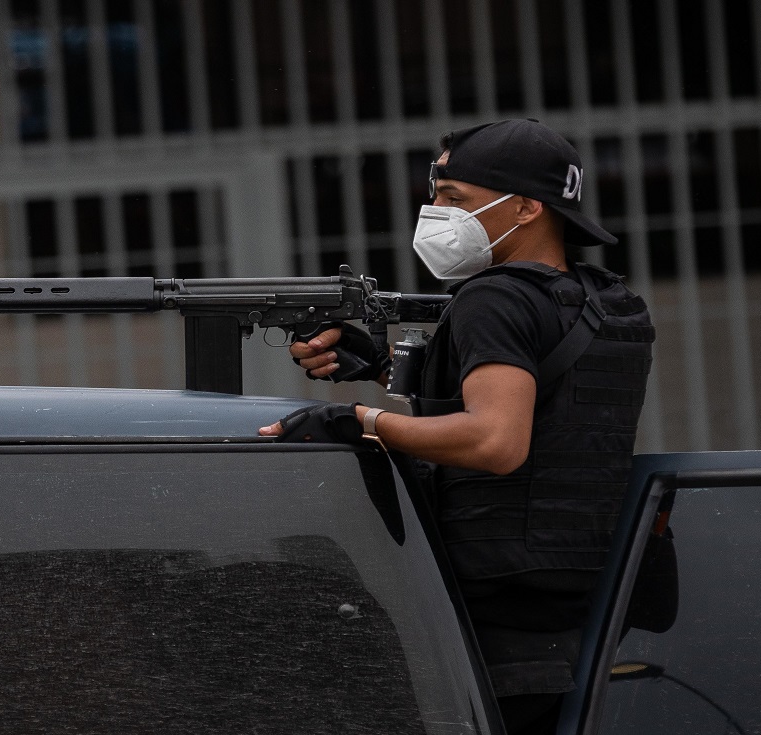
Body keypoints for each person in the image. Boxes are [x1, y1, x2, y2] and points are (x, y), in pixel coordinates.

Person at [260, 119, 654, 735]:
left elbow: (496, 442)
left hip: (491, 621)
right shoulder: (604, 299)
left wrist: (359, 422)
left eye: (455, 198)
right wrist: (383, 367)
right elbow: (550, 410)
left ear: (526, 207)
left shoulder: (493, 298)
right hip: (576, 609)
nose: (436, 213)